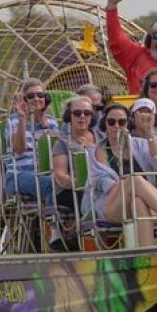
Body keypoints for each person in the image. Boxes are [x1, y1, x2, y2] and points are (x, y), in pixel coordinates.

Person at [85, 103, 157, 246]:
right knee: (135, 180)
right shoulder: (95, 152)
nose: (116, 126)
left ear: (127, 124)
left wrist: (149, 132)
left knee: (138, 202)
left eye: (121, 122)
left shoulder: (140, 144)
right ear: (105, 124)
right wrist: (130, 184)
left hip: (148, 203)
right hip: (113, 204)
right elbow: (105, 185)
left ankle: (145, 255)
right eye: (111, 122)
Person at [50, 95, 100, 250]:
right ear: (69, 116)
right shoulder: (62, 143)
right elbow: (60, 176)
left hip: (100, 185)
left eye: (87, 113)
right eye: (77, 113)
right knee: (88, 196)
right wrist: (83, 184)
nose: (82, 116)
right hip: (71, 189)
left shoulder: (102, 139)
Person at [4, 78, 60, 202]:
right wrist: (22, 119)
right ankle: (53, 220)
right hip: (18, 174)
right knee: (52, 184)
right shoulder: (14, 120)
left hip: (46, 172)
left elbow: (57, 150)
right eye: (30, 96)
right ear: (24, 100)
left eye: (40, 95)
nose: (36, 99)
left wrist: (44, 123)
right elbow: (19, 149)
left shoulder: (50, 121)